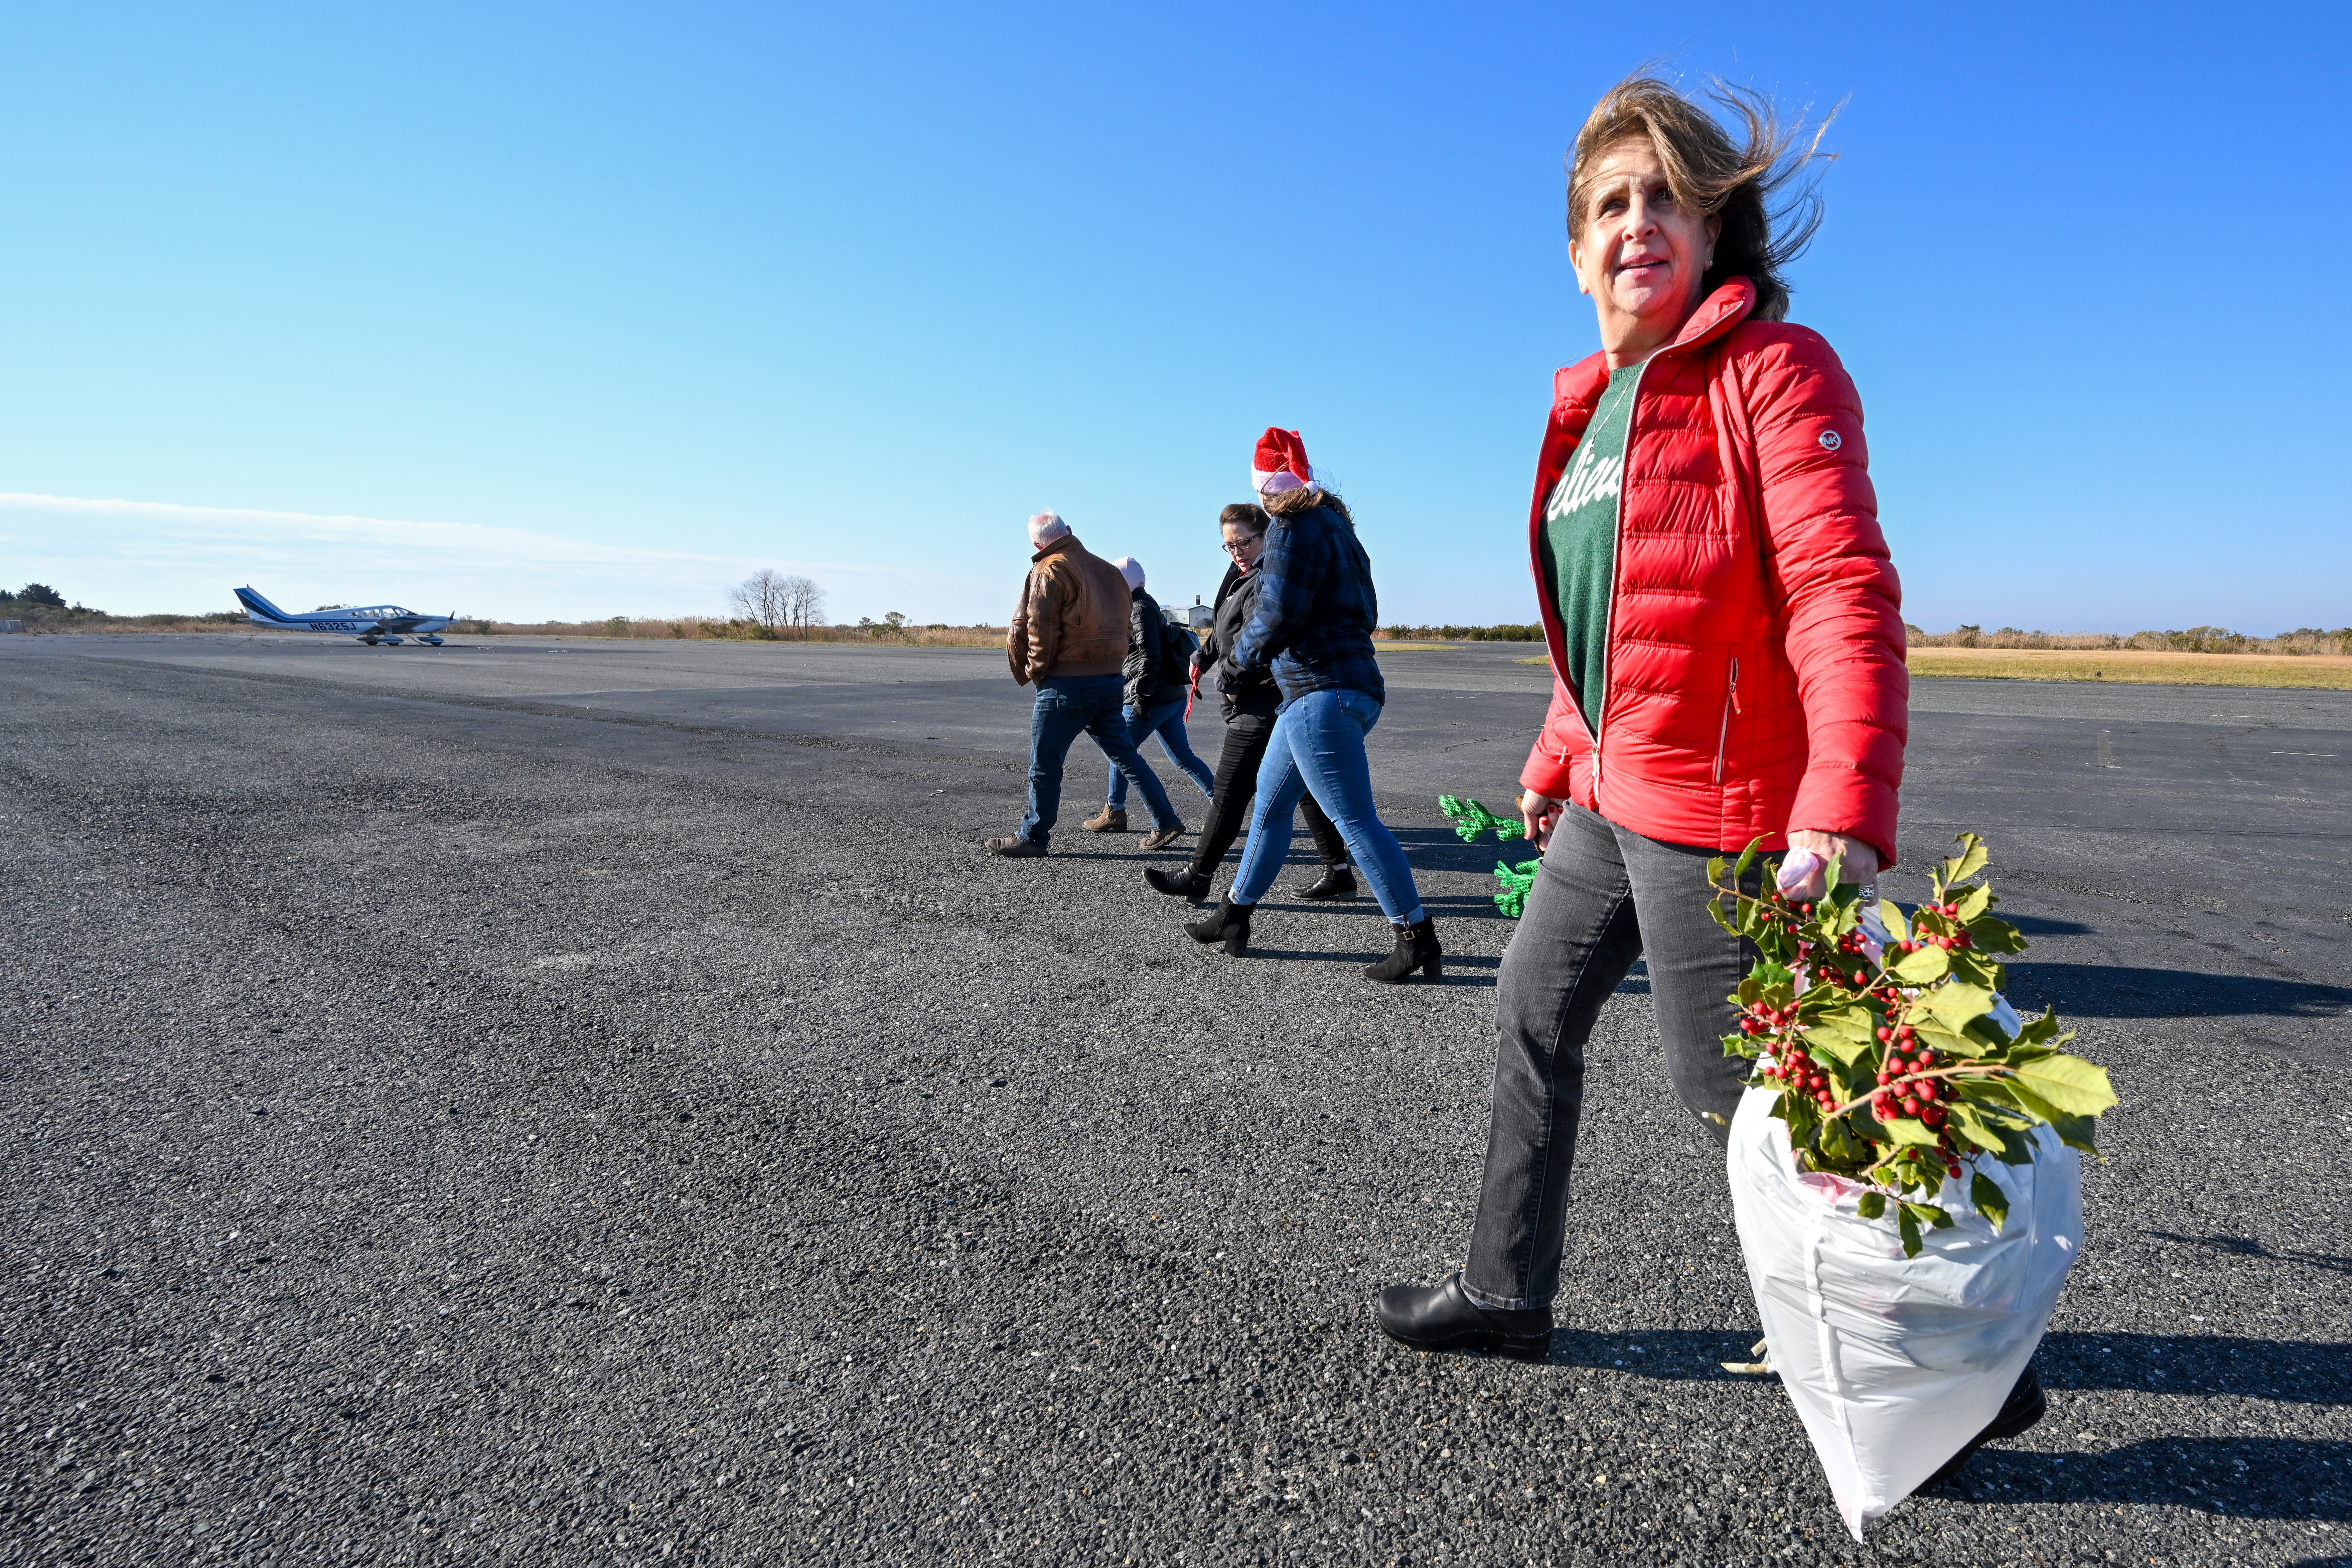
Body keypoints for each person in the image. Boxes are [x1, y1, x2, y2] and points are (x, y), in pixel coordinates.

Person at [1374, 74, 1909, 1358]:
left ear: (1715, 229)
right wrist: (1564, 745)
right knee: (1529, 1011)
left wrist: (1842, 804)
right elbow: (1606, 618)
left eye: (1667, 197)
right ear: (1575, 252)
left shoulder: (1773, 371)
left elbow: (1841, 589)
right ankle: (1506, 1293)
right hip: (1613, 800)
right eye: (1612, 203)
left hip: (1722, 812)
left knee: (1742, 1098)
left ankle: (1937, 1353)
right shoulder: (1590, 411)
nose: (1637, 223)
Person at [1182, 430, 1439, 984]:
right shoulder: (1342, 529)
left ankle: (1416, 936)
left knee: (1354, 820)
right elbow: (1366, 611)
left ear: (1269, 490)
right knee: (1272, 810)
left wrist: (1236, 665)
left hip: (1317, 692)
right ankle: (1234, 914)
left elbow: (1275, 614)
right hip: (1348, 687)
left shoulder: (1291, 530)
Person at [1142, 505, 1355, 901]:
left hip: (1262, 703)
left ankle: (1198, 875)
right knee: (1307, 787)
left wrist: (1230, 680)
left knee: (1230, 792)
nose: (1236, 550)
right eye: (1228, 545)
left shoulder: (1268, 579)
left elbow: (1262, 640)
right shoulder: (1244, 574)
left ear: (1266, 535)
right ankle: (1339, 870)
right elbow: (1226, 623)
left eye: (1243, 541)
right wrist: (1203, 657)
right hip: (1259, 700)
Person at [987, 512, 1186, 857]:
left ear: (1036, 544)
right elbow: (1126, 630)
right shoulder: (1108, 572)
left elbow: (1041, 632)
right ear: (1069, 532)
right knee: (1126, 756)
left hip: (1066, 685)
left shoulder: (1048, 570)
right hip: (1110, 684)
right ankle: (1165, 818)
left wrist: (1038, 673)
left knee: (1045, 764)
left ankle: (1033, 836)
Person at [1083, 556, 1214, 843]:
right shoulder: (1147, 604)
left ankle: (1121, 813)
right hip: (1171, 697)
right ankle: (1222, 806)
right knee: (1182, 756)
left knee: (1119, 751)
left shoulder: (1139, 609)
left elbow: (1149, 657)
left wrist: (1140, 696)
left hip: (1152, 698)